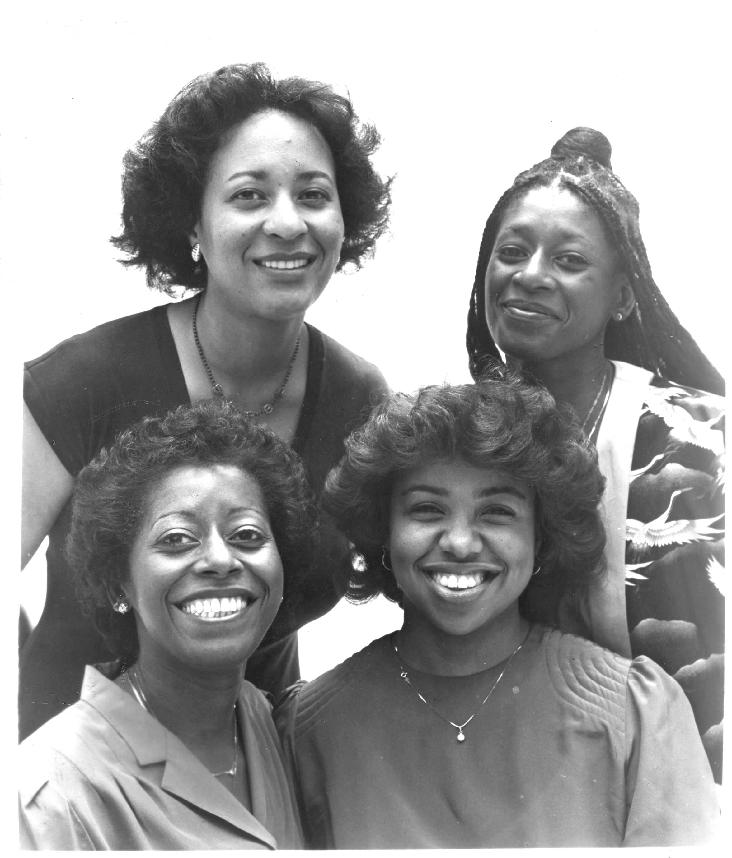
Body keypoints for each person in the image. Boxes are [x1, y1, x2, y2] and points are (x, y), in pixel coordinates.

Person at [21, 62, 391, 739]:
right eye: (249, 196)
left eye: (313, 195)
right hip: (67, 776)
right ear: (191, 225)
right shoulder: (81, 381)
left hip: (259, 773)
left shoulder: (360, 402)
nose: (287, 222)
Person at [275, 378, 718, 848]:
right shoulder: (309, 729)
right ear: (382, 530)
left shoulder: (638, 715)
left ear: (542, 535)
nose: (460, 543)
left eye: (496, 513)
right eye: (427, 510)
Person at [465, 128, 724, 780]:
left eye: (569, 261)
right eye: (512, 252)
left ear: (625, 295)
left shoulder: (697, 436)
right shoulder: (458, 438)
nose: (530, 276)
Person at [19, 401, 309, 849]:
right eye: (177, 539)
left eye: (247, 535)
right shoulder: (52, 794)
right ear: (119, 583)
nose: (219, 559)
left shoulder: (282, 729)